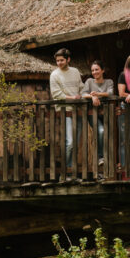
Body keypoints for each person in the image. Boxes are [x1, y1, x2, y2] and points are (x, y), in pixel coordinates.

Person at [49, 47, 83, 176]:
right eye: (57, 61)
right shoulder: (54, 75)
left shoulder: (75, 72)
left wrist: (83, 95)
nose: (59, 63)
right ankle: (66, 171)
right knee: (70, 142)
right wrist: (73, 98)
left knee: (76, 142)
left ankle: (72, 172)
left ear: (68, 59)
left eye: (61, 60)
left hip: (78, 110)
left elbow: (81, 87)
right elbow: (57, 95)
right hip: (65, 111)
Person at [80, 60, 114, 172]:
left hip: (106, 113)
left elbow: (110, 93)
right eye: (93, 70)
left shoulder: (109, 82)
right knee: (101, 131)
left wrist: (97, 94)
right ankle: (100, 157)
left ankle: (108, 161)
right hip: (92, 113)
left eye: (97, 69)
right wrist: (92, 97)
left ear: (103, 70)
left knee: (108, 135)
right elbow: (83, 94)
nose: (94, 72)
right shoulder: (89, 81)